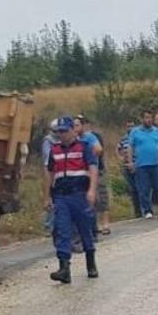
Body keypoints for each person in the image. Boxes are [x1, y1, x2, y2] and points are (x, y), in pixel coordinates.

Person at [44, 116, 98, 284]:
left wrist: (92, 191)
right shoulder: (54, 150)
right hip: (61, 196)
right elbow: (50, 173)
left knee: (84, 229)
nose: (61, 135)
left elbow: (93, 168)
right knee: (62, 231)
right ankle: (64, 268)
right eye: (58, 132)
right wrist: (46, 196)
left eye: (64, 131)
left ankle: (91, 263)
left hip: (80, 194)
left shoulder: (85, 147)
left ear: (73, 131)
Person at [125, 110, 158, 219]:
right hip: (141, 164)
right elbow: (130, 147)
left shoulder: (156, 131)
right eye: (146, 118)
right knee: (144, 188)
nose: (148, 120)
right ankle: (147, 210)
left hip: (155, 163)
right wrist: (130, 162)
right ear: (141, 119)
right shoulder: (135, 132)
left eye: (150, 118)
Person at [75, 115, 111, 235]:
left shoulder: (90, 137)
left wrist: (88, 155)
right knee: (89, 198)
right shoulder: (74, 139)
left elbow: (99, 149)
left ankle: (105, 223)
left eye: (77, 125)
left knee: (101, 196)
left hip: (96, 169)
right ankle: (93, 225)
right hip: (82, 172)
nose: (75, 128)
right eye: (73, 125)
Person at [116, 122, 141, 218]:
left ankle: (145, 208)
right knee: (132, 188)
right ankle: (137, 211)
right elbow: (117, 148)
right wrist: (120, 157)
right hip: (126, 165)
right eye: (128, 126)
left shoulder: (137, 136)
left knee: (140, 187)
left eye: (131, 126)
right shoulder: (123, 138)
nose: (130, 128)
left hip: (137, 164)